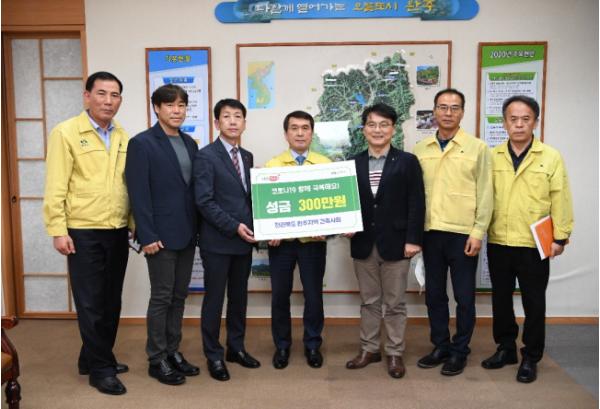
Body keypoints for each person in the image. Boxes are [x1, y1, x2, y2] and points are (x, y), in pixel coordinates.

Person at [43, 71, 131, 395]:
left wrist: (133, 223)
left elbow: (127, 184)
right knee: (91, 303)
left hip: (117, 228)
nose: (108, 101)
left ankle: (91, 358)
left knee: (110, 301)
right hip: (82, 230)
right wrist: (58, 229)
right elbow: (56, 185)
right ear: (87, 96)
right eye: (102, 93)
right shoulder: (65, 132)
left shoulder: (122, 135)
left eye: (115, 95)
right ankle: (101, 370)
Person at [481, 95, 573, 383]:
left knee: (534, 302)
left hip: (534, 243)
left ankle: (531, 356)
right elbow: (483, 197)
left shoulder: (550, 157)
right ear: (504, 122)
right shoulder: (492, 156)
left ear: (535, 122)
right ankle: (505, 348)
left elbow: (561, 197)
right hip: (499, 240)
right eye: (513, 119)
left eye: (525, 119)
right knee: (500, 299)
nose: (519, 124)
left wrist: (560, 237)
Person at [414, 88, 493, 376]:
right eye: (443, 107)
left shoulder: (477, 148)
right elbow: (415, 195)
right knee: (434, 295)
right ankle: (441, 345)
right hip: (430, 232)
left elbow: (486, 193)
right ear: (434, 111)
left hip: (463, 234)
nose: (448, 113)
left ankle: (460, 350)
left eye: (454, 107)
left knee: (464, 297)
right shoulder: (421, 149)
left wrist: (478, 231)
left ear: (462, 112)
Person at [125, 84, 200, 385]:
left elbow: (190, 190)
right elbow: (138, 193)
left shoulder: (190, 143)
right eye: (170, 105)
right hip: (158, 236)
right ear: (156, 108)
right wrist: (146, 234)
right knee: (161, 297)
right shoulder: (142, 143)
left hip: (187, 232)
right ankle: (157, 359)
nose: (176, 110)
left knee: (179, 297)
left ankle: (172, 351)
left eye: (181, 105)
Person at [344, 103, 425, 379]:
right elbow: (345, 202)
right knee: (369, 301)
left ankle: (394, 352)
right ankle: (369, 349)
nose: (377, 130)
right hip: (363, 242)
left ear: (393, 129)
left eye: (384, 125)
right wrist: (345, 224)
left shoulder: (407, 161)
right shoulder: (352, 163)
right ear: (363, 129)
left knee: (394, 303)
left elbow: (417, 202)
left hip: (398, 243)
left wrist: (413, 240)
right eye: (372, 124)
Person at [193, 99, 260, 381]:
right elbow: (204, 202)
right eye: (226, 116)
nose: (233, 121)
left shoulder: (247, 156)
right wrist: (235, 227)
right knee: (214, 299)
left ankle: (236, 348)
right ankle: (214, 355)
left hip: (243, 242)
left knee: (239, 298)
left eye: (238, 116)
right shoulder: (206, 156)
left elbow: (248, 199)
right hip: (218, 241)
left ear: (244, 123)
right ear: (216, 122)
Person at [265, 111, 331, 370]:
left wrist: (326, 229)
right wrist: (269, 231)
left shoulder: (326, 164)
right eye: (294, 128)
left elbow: (333, 205)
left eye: (305, 128)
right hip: (281, 244)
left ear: (312, 133)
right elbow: (264, 206)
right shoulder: (272, 166)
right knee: (279, 296)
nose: (300, 133)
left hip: (313, 243)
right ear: (286, 134)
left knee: (313, 296)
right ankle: (282, 345)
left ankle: (312, 344)